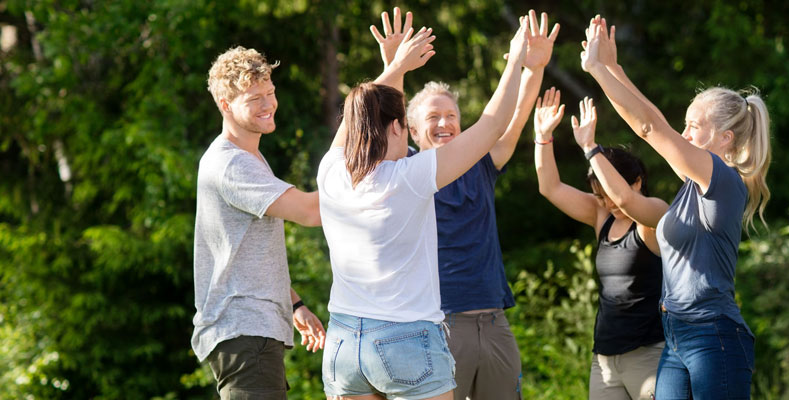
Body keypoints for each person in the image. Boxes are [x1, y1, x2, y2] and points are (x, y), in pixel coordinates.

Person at [316, 13, 528, 400]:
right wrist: (515, 61)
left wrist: (393, 67)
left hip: (344, 342)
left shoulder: (330, 171)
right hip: (403, 338)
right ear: (400, 128)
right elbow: (493, 125)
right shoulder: (408, 178)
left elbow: (362, 115)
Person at [580, 15, 771, 400]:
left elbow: (652, 127)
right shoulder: (689, 192)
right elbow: (654, 128)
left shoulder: (721, 179)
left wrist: (598, 70)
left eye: (693, 127)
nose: (683, 135)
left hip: (712, 336)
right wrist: (614, 68)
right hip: (676, 335)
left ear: (724, 138)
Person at [392, 10, 558, 400]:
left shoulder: (481, 165)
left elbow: (511, 121)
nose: (444, 123)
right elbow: (383, 122)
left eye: (451, 116)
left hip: (494, 320)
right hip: (441, 322)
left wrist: (533, 68)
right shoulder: (407, 171)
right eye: (433, 117)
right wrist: (395, 66)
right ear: (413, 130)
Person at [192, 46, 328, 399]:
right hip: (245, 335)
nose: (269, 103)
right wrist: (374, 181)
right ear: (225, 104)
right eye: (255, 98)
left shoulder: (250, 158)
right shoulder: (231, 164)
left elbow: (240, 254)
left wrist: (293, 303)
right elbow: (312, 212)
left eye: (270, 93)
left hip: (252, 333)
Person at [532, 88, 667, 400]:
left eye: (609, 192)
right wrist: (542, 137)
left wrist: (591, 147)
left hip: (649, 356)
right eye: (600, 195)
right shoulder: (601, 215)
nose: (607, 201)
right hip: (604, 359)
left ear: (636, 182)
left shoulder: (654, 214)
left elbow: (626, 200)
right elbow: (549, 187)